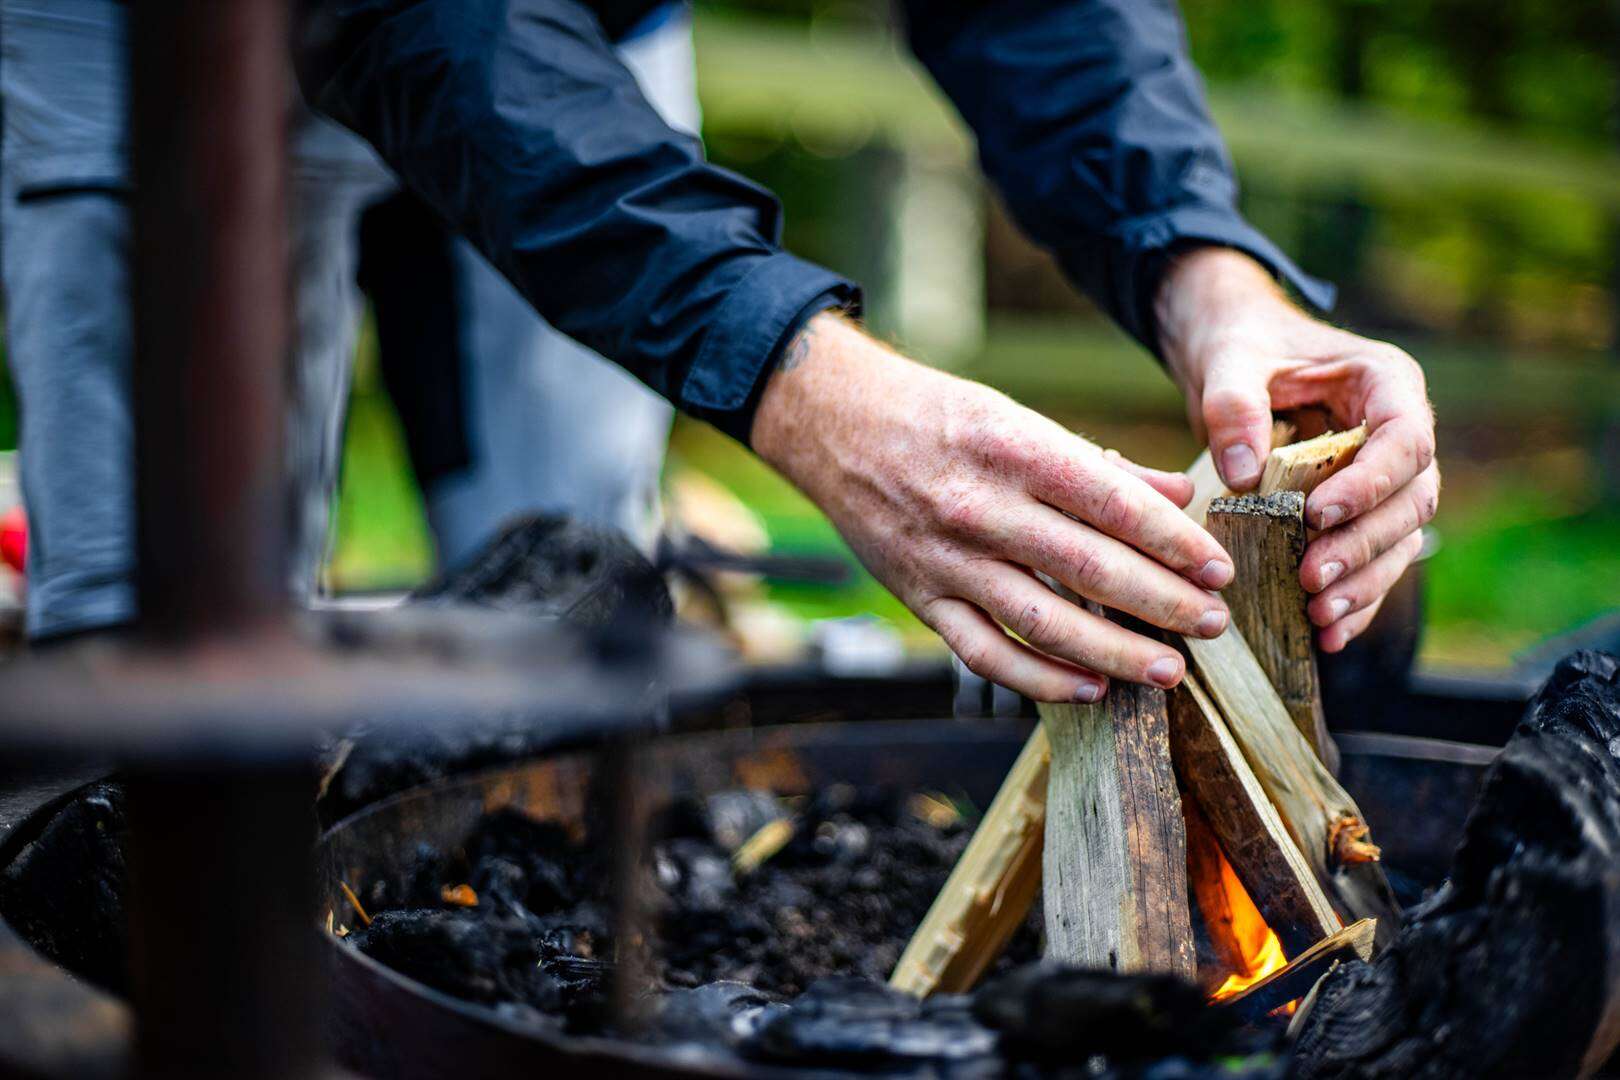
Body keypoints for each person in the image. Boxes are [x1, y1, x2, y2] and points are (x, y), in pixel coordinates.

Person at [298, 0, 1439, 703]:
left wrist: (1205, 271)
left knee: (572, 611)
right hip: (177, 55)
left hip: (601, 40)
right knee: (170, 651)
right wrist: (798, 380)